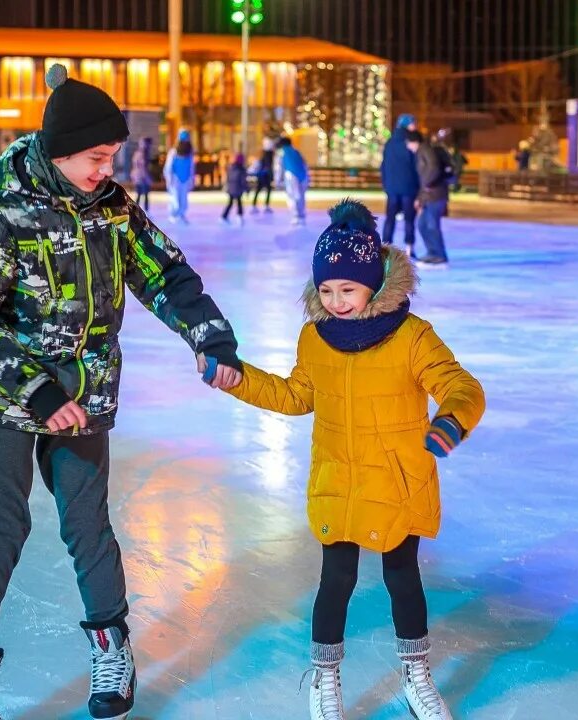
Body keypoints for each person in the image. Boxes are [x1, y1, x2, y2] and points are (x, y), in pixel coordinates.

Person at [0, 63, 243, 720]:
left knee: (88, 526)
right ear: (58, 150)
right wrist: (39, 391)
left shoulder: (112, 211)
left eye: (112, 156)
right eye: (96, 157)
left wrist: (210, 338)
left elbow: (169, 277)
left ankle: (113, 647)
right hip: (10, 404)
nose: (107, 168)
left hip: (88, 399)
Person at [205, 199, 485, 720]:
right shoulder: (316, 338)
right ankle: (326, 679)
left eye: (347, 289)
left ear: (374, 284)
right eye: (326, 290)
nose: (336, 301)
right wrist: (237, 377)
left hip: (397, 482)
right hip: (339, 479)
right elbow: (296, 396)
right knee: (335, 581)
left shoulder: (411, 336)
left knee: (404, 578)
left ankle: (416, 676)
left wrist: (451, 419)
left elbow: (460, 385)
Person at [406, 130, 451, 266]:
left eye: (408, 143)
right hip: (429, 195)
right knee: (422, 224)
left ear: (413, 142)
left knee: (431, 225)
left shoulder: (425, 150)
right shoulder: (422, 152)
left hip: (436, 195)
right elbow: (424, 177)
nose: (407, 146)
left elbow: (433, 168)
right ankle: (432, 252)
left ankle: (439, 255)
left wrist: (427, 184)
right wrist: (420, 197)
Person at [379, 114, 420, 251]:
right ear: (407, 125)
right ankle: (410, 247)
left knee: (390, 218)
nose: (415, 126)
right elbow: (416, 166)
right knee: (409, 219)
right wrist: (418, 186)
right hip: (409, 187)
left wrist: (386, 184)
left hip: (392, 188)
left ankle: (385, 247)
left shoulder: (389, 143)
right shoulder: (412, 142)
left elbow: (383, 166)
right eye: (413, 123)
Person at [163, 128, 195, 224]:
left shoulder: (189, 153)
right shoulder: (174, 152)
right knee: (175, 198)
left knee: (183, 199)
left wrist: (191, 179)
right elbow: (168, 167)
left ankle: (181, 214)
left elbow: (191, 167)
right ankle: (173, 215)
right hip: (175, 179)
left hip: (185, 179)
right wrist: (169, 179)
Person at [277, 136, 309, 226]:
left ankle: (296, 216)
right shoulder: (296, 151)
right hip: (302, 175)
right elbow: (304, 164)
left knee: (292, 195)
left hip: (291, 175)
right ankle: (301, 215)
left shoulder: (282, 152)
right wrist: (306, 177)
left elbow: (279, 167)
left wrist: (277, 180)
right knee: (301, 196)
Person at [220, 152, 249, 226]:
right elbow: (243, 181)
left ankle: (224, 216)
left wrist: (227, 186)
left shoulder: (231, 167)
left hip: (231, 189)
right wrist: (247, 189)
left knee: (230, 203)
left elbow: (228, 178)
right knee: (239, 203)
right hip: (238, 189)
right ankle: (239, 216)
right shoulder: (241, 169)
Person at [250, 137, 275, 213]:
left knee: (259, 190)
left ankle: (255, 206)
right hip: (265, 176)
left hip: (262, 175)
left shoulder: (263, 153)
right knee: (266, 190)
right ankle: (264, 206)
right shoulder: (269, 154)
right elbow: (268, 166)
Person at [129, 136, 154, 210]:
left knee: (140, 194)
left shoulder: (138, 153)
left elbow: (135, 166)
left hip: (139, 176)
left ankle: (136, 210)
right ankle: (140, 210)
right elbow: (142, 167)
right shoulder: (143, 154)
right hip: (142, 177)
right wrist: (147, 178)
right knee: (143, 194)